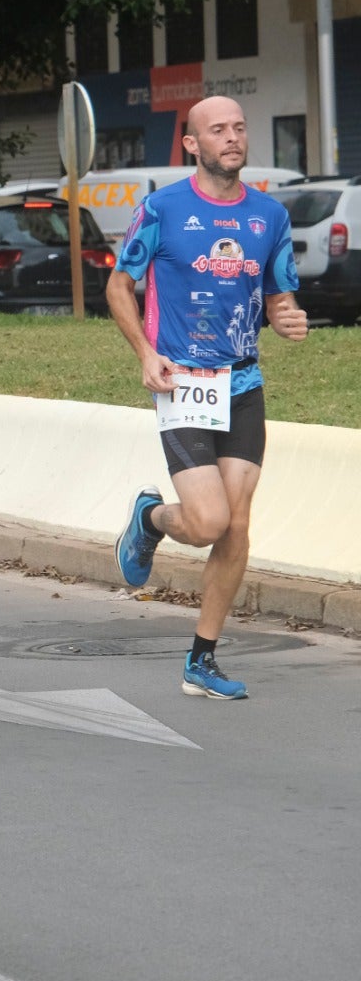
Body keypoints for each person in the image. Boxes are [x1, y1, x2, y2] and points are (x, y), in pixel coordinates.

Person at [109, 97, 305, 701]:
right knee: (207, 521)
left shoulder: (269, 215)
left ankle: (202, 659)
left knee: (237, 525)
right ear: (191, 144)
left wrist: (287, 316)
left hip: (243, 382)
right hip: (183, 380)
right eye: (217, 130)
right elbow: (120, 283)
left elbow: (277, 295)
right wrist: (145, 352)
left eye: (239, 127)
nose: (232, 137)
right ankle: (151, 519)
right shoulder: (162, 209)